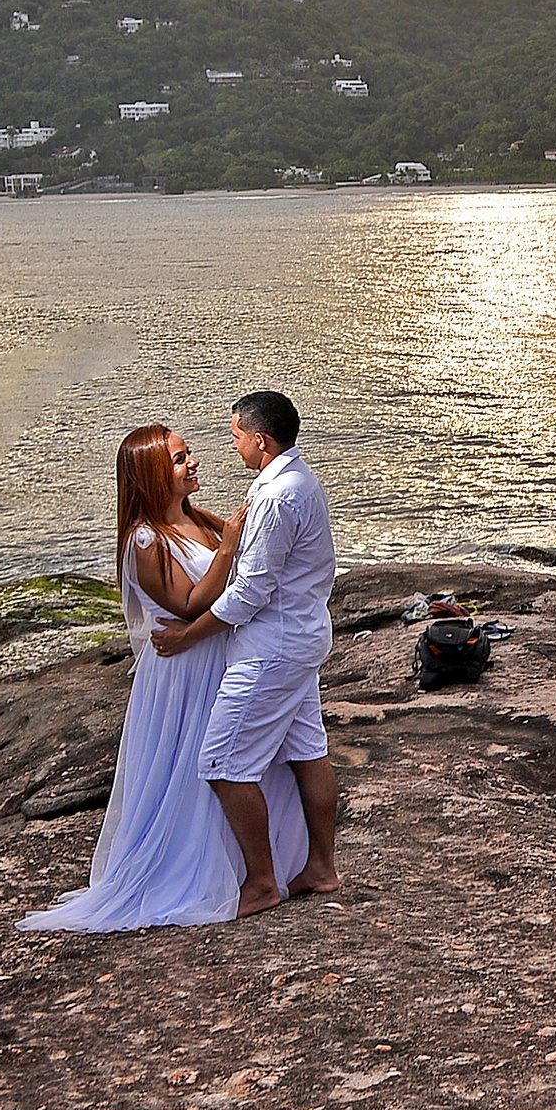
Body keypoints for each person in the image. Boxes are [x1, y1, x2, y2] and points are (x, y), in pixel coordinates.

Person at [19, 426, 309, 932]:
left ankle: (256, 867)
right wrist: (229, 549)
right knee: (197, 765)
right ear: (152, 475)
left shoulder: (199, 518)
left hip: (217, 653)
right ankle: (198, 870)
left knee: (242, 759)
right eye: (178, 460)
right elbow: (188, 604)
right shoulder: (146, 539)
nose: (192, 462)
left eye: (187, 454)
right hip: (182, 668)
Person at [153, 391, 342, 916]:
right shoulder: (300, 481)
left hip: (272, 648)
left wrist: (189, 635)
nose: (232, 445)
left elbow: (249, 593)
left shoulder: (277, 497)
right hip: (301, 636)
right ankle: (321, 867)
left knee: (222, 762)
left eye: (236, 435)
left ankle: (261, 882)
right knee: (307, 750)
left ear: (259, 439)